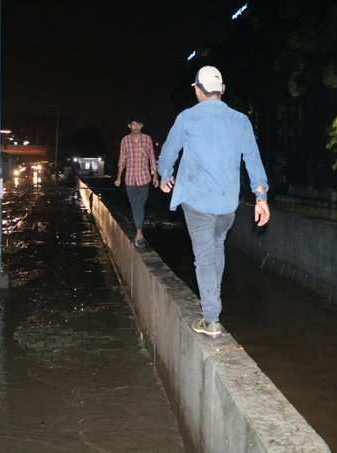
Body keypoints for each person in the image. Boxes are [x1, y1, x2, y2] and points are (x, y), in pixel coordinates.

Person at [158, 66, 270, 337]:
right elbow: (252, 159)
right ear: (223, 90)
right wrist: (261, 197)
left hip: (197, 201)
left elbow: (168, 151)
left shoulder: (187, 118)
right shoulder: (240, 120)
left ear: (197, 90)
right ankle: (213, 305)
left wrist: (165, 175)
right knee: (216, 248)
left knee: (205, 257)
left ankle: (211, 318)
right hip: (227, 203)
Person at [114, 114, 159, 247]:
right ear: (129, 126)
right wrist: (118, 177)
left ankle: (139, 233)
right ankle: (139, 231)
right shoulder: (125, 140)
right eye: (133, 124)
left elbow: (152, 158)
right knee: (134, 204)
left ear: (142, 126)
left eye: (138, 124)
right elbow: (122, 159)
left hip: (144, 178)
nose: (136, 126)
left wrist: (155, 176)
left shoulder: (147, 139)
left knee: (139, 204)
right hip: (129, 179)